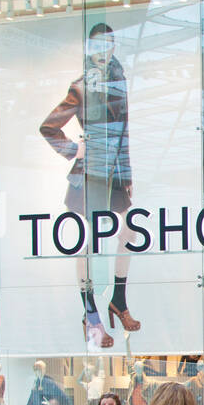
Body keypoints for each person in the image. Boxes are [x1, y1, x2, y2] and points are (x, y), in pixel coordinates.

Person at [40, 22, 139, 348]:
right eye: (98, 45)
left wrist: (127, 173)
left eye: (109, 44)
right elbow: (49, 127)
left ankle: (119, 299)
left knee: (129, 231)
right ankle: (91, 314)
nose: (104, 51)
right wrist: (73, 149)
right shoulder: (81, 87)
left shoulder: (118, 81)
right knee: (85, 243)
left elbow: (123, 132)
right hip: (88, 175)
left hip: (113, 174)